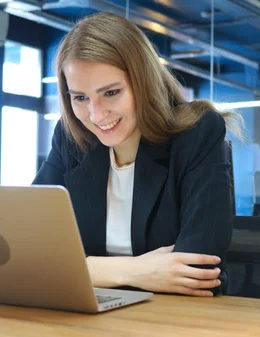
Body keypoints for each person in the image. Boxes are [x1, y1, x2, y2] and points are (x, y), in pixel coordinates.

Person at [32, 12, 242, 297]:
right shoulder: (71, 139)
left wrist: (83, 269)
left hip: (175, 317)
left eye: (111, 93)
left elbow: (197, 269)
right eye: (80, 97)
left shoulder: (197, 134)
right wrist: (139, 270)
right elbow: (28, 252)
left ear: (142, 82)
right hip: (89, 313)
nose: (95, 115)